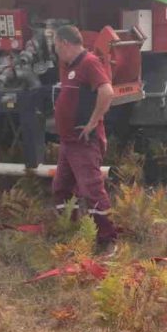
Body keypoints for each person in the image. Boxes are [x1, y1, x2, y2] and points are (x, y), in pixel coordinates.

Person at [51, 25, 117, 256]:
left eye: (56, 46)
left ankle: (107, 241)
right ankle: (73, 232)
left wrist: (93, 122)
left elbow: (107, 92)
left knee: (92, 191)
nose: (56, 50)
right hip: (68, 142)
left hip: (83, 142)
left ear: (65, 43)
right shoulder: (67, 65)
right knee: (61, 188)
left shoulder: (89, 62)